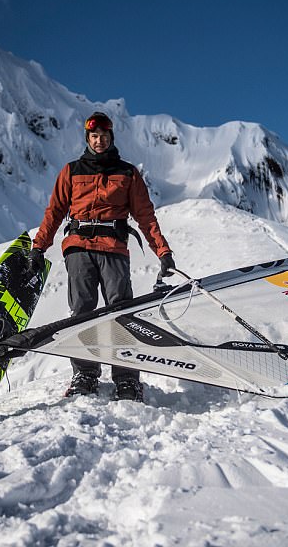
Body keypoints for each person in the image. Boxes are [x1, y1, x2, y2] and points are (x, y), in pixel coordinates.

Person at [29, 111, 176, 402]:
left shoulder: (127, 173)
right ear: (88, 139)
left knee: (120, 311)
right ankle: (85, 374)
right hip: (79, 247)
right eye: (94, 136)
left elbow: (145, 216)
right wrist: (38, 247)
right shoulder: (71, 171)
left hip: (113, 248)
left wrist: (163, 250)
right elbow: (55, 212)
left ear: (111, 137)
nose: (99, 141)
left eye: (104, 136)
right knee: (82, 311)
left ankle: (126, 379)